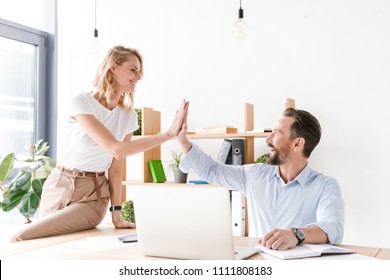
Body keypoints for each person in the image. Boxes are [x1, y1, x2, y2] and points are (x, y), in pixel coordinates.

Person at [10, 45, 189, 242]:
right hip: (58, 185)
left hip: (93, 195)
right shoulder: (82, 102)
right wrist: (167, 134)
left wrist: (116, 213)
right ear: (113, 67)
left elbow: (116, 166)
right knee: (46, 246)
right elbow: (116, 148)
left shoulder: (128, 116)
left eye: (140, 72)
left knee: (21, 236)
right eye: (133, 70)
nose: (138, 77)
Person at [176, 107, 344, 250]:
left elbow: (333, 228)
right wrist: (183, 141)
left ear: (297, 144)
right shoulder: (255, 175)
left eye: (276, 134)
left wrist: (296, 234)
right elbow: (212, 170)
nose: (268, 139)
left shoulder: (325, 186)